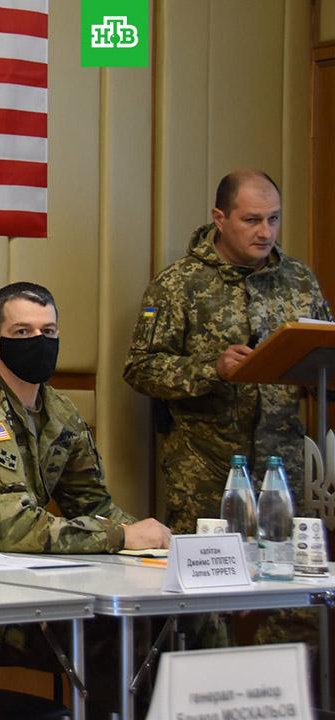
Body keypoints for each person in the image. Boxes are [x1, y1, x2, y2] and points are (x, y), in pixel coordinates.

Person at [0, 282, 169, 720]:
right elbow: (14, 530)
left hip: (38, 587)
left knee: (184, 618)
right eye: (23, 332)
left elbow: (94, 506)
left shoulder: (59, 412)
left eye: (48, 331)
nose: (39, 342)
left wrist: (158, 547)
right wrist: (121, 536)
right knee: (119, 635)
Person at [124, 170, 332, 654]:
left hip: (281, 470)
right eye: (252, 220)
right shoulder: (179, 284)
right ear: (219, 218)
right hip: (206, 472)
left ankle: (281, 688)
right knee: (203, 610)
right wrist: (211, 368)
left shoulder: (298, 280)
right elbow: (140, 369)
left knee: (297, 603)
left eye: (274, 219)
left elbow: (324, 352)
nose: (265, 232)